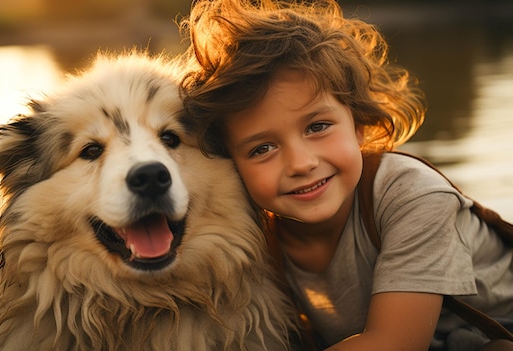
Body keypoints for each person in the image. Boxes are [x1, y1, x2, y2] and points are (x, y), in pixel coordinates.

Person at [179, 0, 513, 350]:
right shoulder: (256, 235)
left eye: (317, 126)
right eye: (262, 149)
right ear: (232, 165)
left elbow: (395, 343)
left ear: (358, 125)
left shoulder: (412, 196)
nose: (300, 163)